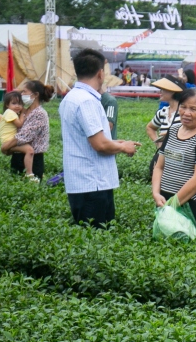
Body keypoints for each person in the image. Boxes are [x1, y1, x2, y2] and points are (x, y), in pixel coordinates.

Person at [58, 49, 141, 226]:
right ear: (100, 73)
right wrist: (124, 147)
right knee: (98, 233)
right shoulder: (86, 101)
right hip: (93, 183)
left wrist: (116, 143)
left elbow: (86, 139)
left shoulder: (71, 97)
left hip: (83, 182)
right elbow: (100, 145)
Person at [152, 88, 196, 237]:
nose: (186, 113)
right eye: (183, 107)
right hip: (165, 201)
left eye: (193, 109)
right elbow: (159, 166)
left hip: (194, 207)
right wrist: (156, 193)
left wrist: (173, 204)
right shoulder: (173, 130)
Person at [9, 80, 53, 181]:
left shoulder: (39, 114)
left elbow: (24, 137)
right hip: (18, 156)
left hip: (33, 160)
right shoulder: (23, 111)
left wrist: (5, 147)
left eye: (24, 92)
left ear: (35, 95)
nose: (21, 94)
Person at [0, 91, 35, 179]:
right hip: (9, 141)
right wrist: (23, 113)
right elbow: (19, 124)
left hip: (10, 140)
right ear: (7, 105)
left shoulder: (11, 113)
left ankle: (24, 172)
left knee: (27, 150)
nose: (17, 106)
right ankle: (29, 174)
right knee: (30, 150)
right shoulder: (9, 112)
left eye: (20, 104)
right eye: (14, 103)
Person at [146, 75, 184, 148]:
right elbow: (150, 127)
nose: (160, 92)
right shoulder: (163, 112)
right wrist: (158, 143)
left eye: (163, 89)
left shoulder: (185, 113)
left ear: (172, 91)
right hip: (163, 157)